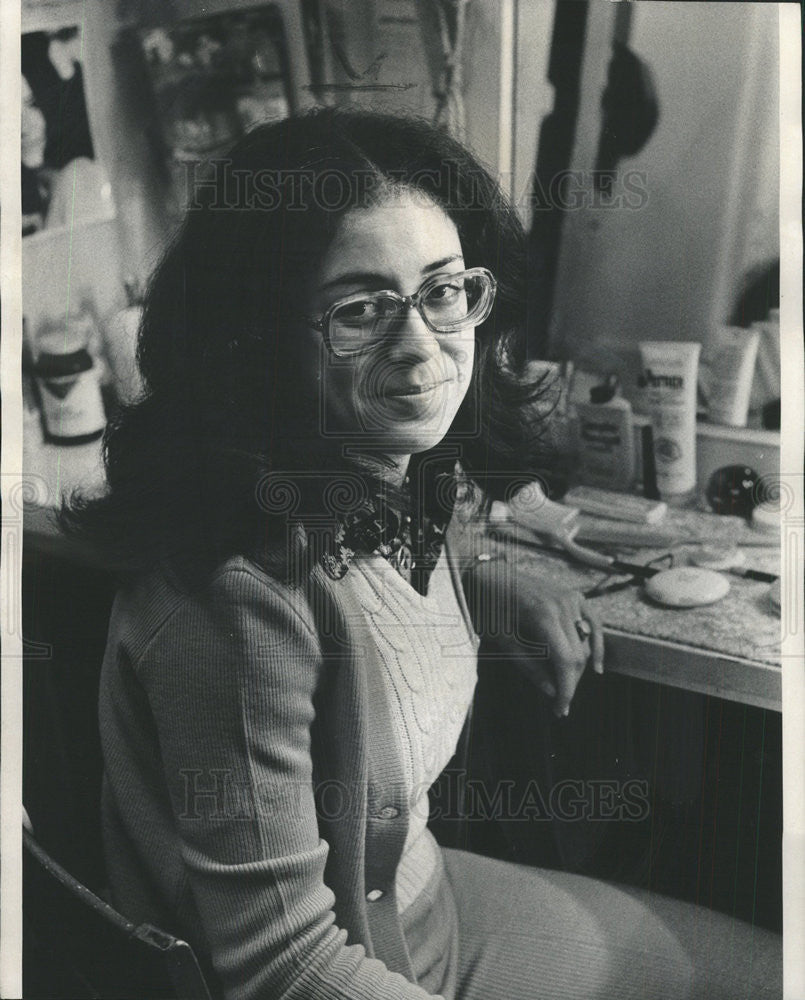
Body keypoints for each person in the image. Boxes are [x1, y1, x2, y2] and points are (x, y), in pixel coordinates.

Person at [62, 109, 781, 999]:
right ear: (259, 340)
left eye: (443, 290)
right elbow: (280, 967)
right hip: (342, 966)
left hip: (423, 903)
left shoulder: (393, 465)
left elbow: (411, 555)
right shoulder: (237, 600)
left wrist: (494, 585)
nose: (420, 348)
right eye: (360, 310)